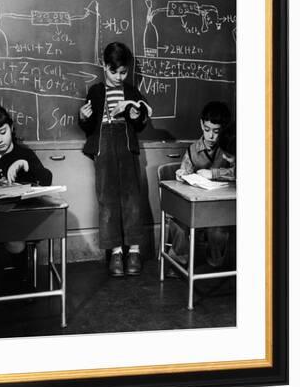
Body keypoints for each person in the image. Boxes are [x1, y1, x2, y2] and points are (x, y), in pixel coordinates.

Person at [78, 42, 152, 277]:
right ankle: (117, 253)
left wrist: (136, 115)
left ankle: (135, 252)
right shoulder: (96, 92)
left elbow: (139, 125)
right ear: (104, 66)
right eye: (114, 72)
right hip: (104, 149)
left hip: (127, 148)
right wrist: (83, 116)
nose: (119, 77)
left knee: (132, 200)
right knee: (107, 201)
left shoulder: (131, 92)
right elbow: (88, 127)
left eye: (124, 72)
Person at [167, 101, 235, 272]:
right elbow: (186, 173)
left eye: (216, 131)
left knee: (218, 230)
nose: (211, 136)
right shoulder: (193, 150)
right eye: (206, 130)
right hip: (197, 206)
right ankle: (179, 259)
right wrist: (182, 175)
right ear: (201, 124)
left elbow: (240, 172)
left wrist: (214, 174)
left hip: (220, 208)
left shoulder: (230, 147)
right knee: (177, 222)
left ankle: (214, 263)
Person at [0, 103, 52, 263]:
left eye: (3, 132)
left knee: (15, 243)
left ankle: (18, 280)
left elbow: (47, 179)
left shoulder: (24, 153)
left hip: (18, 218)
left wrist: (26, 164)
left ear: (11, 127)